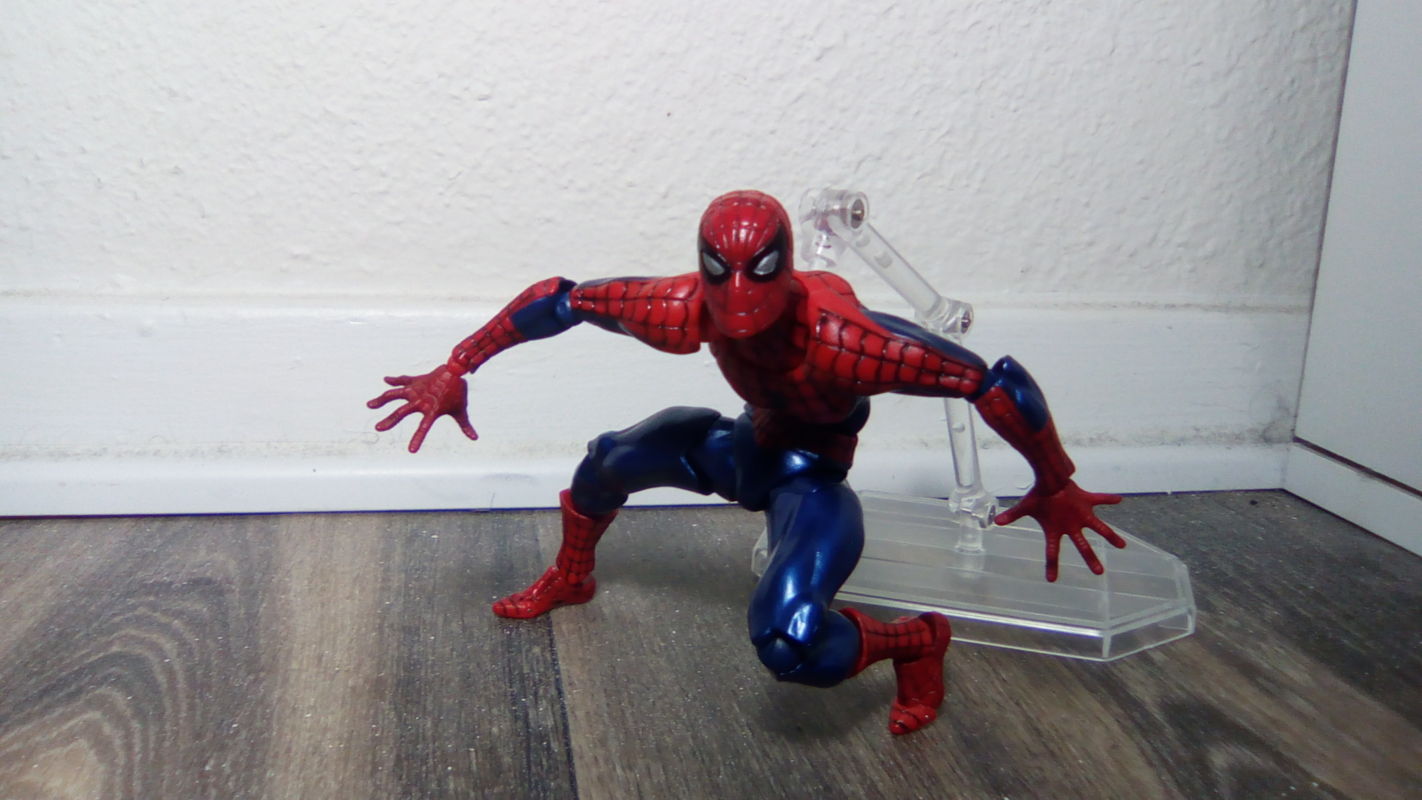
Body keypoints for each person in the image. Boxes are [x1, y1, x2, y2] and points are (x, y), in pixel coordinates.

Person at [369, 190, 1123, 734]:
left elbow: (992, 381)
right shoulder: (682, 309)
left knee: (791, 642)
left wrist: (1055, 480)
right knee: (609, 459)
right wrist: (459, 363)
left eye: (758, 271)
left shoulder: (847, 341)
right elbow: (561, 300)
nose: (737, 296)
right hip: (744, 445)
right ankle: (573, 574)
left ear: (783, 265)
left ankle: (917, 641)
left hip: (811, 478)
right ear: (702, 266)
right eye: (719, 271)